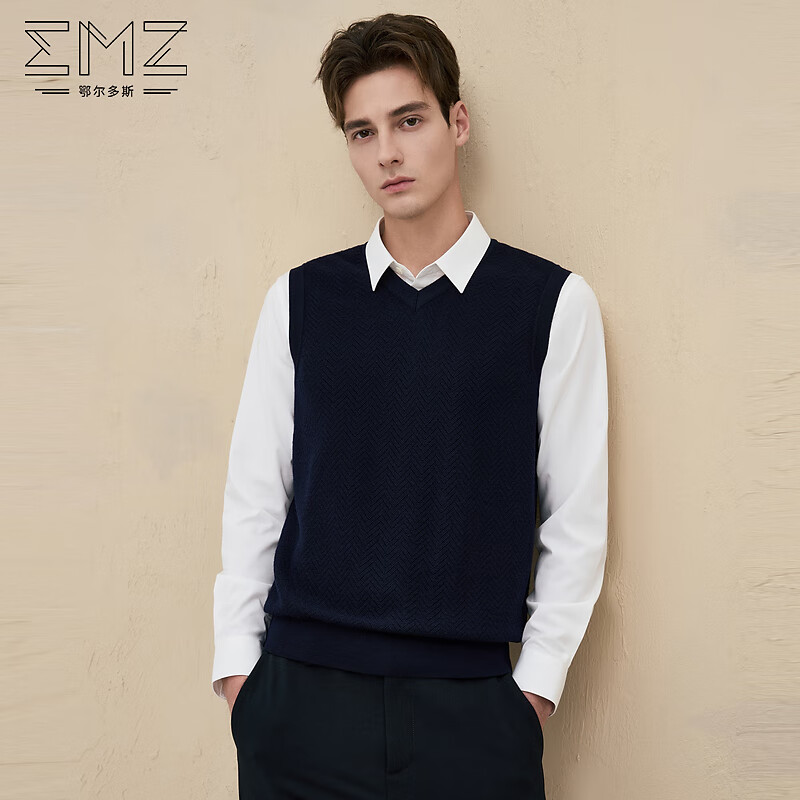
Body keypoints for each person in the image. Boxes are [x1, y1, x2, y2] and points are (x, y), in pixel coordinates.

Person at [211, 12, 608, 800]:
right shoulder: (301, 300)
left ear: (457, 124)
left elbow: (576, 523)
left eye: (409, 120)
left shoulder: (551, 304)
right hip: (300, 704)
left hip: (472, 716)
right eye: (362, 132)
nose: (387, 152)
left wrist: (531, 698)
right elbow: (256, 497)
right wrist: (239, 680)